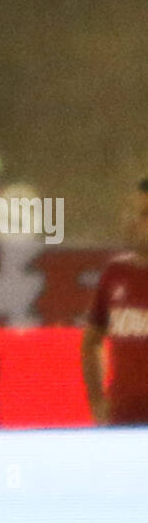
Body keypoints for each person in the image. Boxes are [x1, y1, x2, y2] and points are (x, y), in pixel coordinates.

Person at [82, 179, 148, 426]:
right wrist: (97, 402)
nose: (141, 223)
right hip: (123, 420)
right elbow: (91, 343)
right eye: (141, 214)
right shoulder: (116, 274)